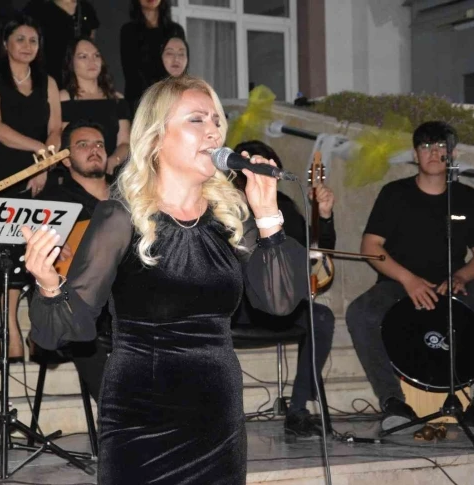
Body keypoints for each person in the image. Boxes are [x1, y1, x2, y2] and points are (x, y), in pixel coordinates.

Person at [22, 75, 307, 484]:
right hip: (141, 417)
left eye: (216, 120)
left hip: (217, 416)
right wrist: (49, 284)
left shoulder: (232, 218)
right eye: (196, 119)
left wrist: (267, 217)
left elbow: (279, 303)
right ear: (156, 137)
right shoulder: (120, 217)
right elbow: (70, 328)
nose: (213, 131)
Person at [346, 121, 474, 431]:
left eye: (440, 147)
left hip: (452, 284)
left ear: (452, 154)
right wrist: (409, 280)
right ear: (415, 154)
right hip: (398, 284)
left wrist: (462, 276)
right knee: (359, 313)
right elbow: (371, 247)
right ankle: (393, 402)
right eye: (426, 147)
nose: (434, 153)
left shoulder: (466, 197)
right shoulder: (394, 194)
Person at [232, 140, 336, 438]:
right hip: (237, 307)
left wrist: (324, 216)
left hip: (280, 304)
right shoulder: (225, 206)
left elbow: (317, 253)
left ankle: (298, 409)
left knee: (321, 318)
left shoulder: (286, 206)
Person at [0, 13, 61, 356]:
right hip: (3, 172)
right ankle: (9, 327)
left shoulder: (47, 80)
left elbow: (55, 129)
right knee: (10, 254)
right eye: (20, 39)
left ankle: (40, 330)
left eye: (33, 40)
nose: (27, 46)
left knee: (43, 252)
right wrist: (40, 152)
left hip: (41, 172)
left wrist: (45, 163)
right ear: (5, 43)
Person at [31, 119, 111, 400]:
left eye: (99, 144)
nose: (94, 149)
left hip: (132, 304)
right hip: (82, 310)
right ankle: (121, 418)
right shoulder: (52, 202)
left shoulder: (130, 196)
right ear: (65, 159)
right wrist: (49, 244)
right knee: (84, 333)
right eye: (83, 145)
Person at [60, 37, 130, 174]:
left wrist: (112, 161)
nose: (92, 61)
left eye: (96, 55)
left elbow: (125, 143)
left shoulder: (117, 99)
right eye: (83, 56)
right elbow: (62, 142)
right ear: (71, 62)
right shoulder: (62, 98)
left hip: (111, 172)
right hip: (75, 173)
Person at [120, 0, 184, 113]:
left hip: (170, 98)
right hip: (140, 100)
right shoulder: (128, 31)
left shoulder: (175, 30)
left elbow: (179, 69)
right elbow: (130, 72)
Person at [24, 0, 99, 88]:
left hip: (79, 79)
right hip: (46, 77)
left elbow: (91, 43)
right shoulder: (36, 8)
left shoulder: (86, 8)